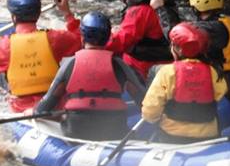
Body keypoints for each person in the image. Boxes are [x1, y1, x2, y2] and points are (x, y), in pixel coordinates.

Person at [33, 11, 146, 140]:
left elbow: (44, 107)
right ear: (108, 37)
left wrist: (35, 112)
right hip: (114, 130)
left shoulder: (70, 64)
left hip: (76, 130)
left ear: (82, 37)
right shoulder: (120, 65)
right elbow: (144, 102)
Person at [150, 0, 230, 100]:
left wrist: (160, 9)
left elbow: (176, 36)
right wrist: (169, 7)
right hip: (228, 79)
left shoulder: (212, 28)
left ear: (196, 6)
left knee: (155, 70)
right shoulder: (222, 22)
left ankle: (154, 104)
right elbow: (184, 29)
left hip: (221, 83)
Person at [140, 22, 227, 142]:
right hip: (208, 135)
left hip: (172, 136)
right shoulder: (213, 71)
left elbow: (150, 112)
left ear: (178, 49)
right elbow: (220, 94)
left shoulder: (167, 72)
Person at [104, 0, 174, 80]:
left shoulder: (138, 12)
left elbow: (121, 42)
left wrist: (97, 41)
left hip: (144, 67)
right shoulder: (156, 1)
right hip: (164, 60)